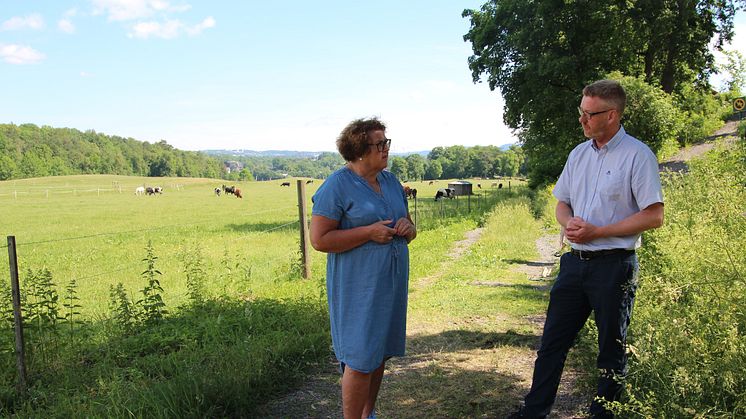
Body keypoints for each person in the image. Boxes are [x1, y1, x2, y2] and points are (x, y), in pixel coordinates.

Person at [510, 80, 664, 419]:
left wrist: (599, 232)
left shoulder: (637, 156)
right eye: (581, 112)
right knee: (552, 343)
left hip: (614, 265)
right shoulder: (578, 155)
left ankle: (603, 414)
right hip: (574, 265)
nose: (581, 120)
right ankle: (533, 413)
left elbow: (654, 216)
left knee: (611, 348)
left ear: (611, 115)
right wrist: (570, 224)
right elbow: (561, 204)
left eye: (588, 114)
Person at [310, 117, 416, 419]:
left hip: (389, 284)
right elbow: (319, 240)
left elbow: (407, 225)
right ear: (359, 150)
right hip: (358, 287)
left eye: (387, 142)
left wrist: (409, 228)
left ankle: (368, 414)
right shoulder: (337, 186)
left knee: (378, 352)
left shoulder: (391, 182)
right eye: (379, 144)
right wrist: (367, 233)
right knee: (359, 357)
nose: (386, 149)